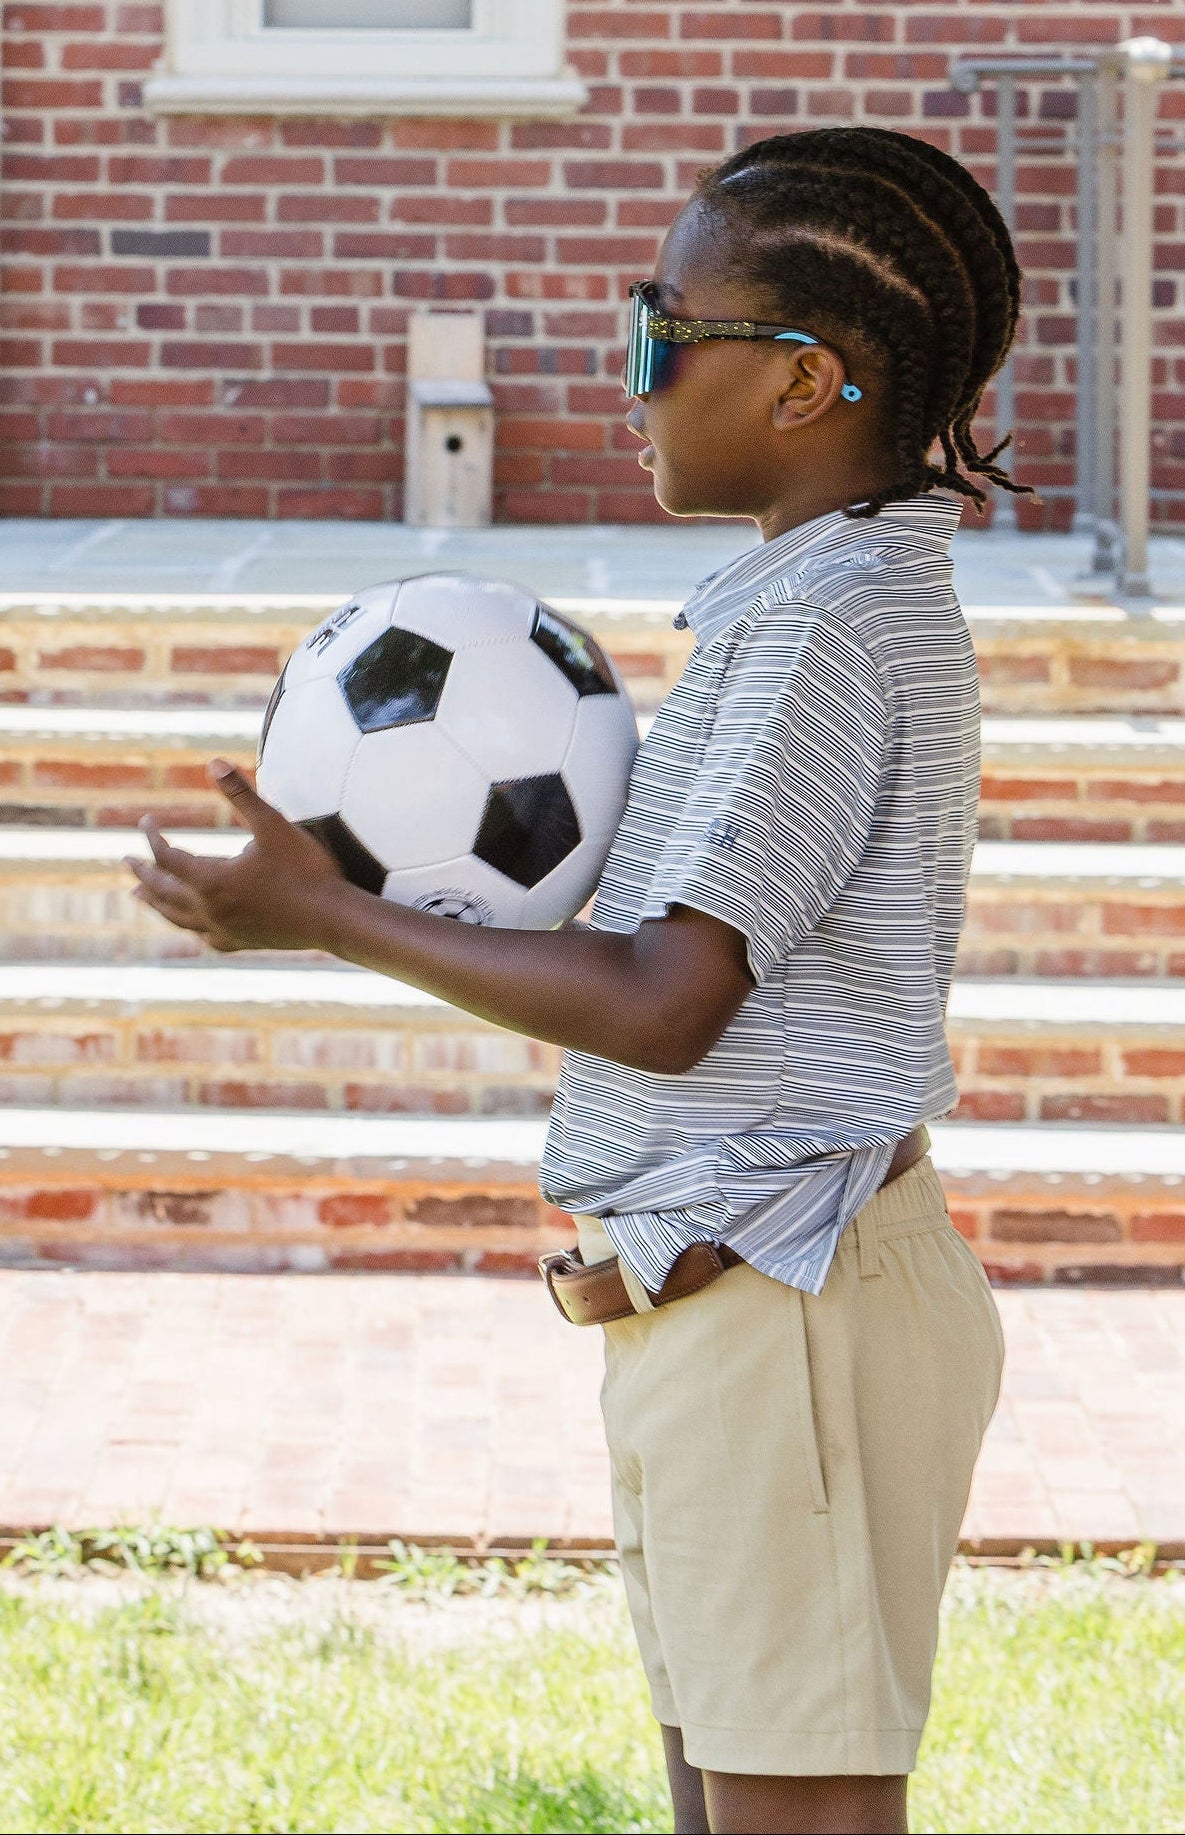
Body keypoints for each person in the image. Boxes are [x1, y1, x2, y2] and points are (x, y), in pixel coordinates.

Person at [127, 126, 1025, 1835]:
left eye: (656, 332)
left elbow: (669, 997)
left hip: (794, 1322)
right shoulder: (803, 598)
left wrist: (324, 912)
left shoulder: (834, 624)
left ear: (808, 379)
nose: (628, 374)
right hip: (727, 1311)